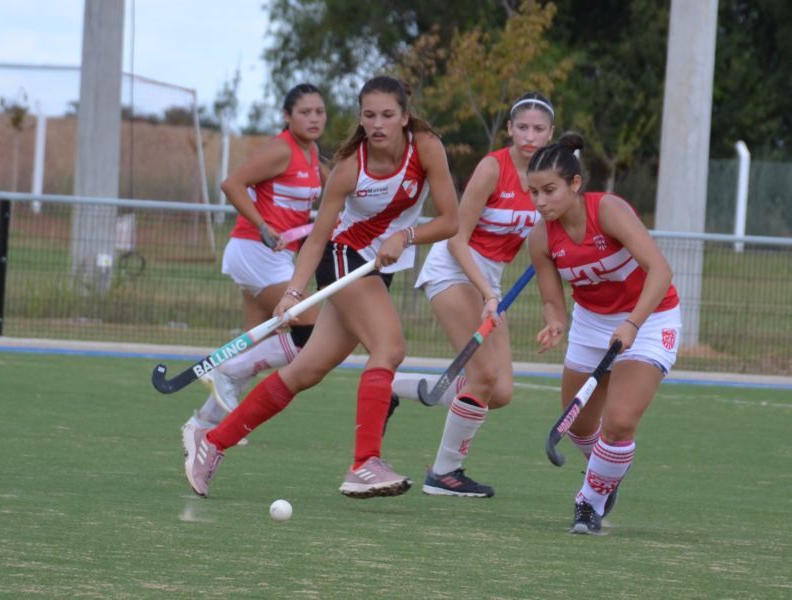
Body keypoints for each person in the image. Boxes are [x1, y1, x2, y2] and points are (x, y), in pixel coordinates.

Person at [185, 75, 459, 499]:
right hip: (344, 258)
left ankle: (212, 441)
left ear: (405, 117)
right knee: (389, 348)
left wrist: (405, 237)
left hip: (378, 264)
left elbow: (450, 220)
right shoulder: (350, 167)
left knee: (303, 372)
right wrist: (293, 294)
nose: (378, 123)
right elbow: (317, 239)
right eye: (369, 115)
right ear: (360, 118)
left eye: (388, 115)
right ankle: (364, 462)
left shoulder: (425, 147)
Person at [390, 92, 555, 498]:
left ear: (551, 133)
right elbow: (456, 239)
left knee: (498, 392)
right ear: (510, 129)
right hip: (453, 270)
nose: (529, 136)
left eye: (538, 129)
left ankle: (389, 387)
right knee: (481, 376)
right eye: (522, 127)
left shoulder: (545, 179)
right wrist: (486, 293)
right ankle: (445, 474)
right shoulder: (491, 168)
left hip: (488, 283)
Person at [526, 132, 682, 534]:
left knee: (620, 422)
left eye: (549, 191)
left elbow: (661, 272)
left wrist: (632, 324)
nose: (540, 202)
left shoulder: (608, 211)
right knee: (579, 426)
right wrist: (555, 322)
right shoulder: (541, 237)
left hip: (650, 318)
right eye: (534, 193)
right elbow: (552, 298)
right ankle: (607, 472)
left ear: (575, 184)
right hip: (591, 323)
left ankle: (589, 502)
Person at [182, 84, 327, 472]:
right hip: (255, 251)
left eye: (319, 112)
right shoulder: (281, 148)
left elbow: (333, 190)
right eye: (305, 112)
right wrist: (263, 225)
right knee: (311, 327)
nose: (314, 118)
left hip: (273, 258)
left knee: (254, 345)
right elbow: (231, 183)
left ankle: (202, 425)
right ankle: (224, 370)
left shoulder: (313, 155)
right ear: (287, 116)